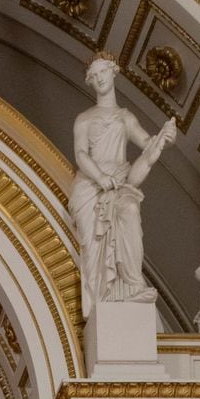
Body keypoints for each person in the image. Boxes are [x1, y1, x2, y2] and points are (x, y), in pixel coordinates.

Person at [70, 51, 176, 315]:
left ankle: (132, 283)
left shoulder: (125, 117)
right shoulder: (84, 118)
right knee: (92, 247)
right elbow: (81, 154)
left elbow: (147, 143)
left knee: (129, 210)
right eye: (93, 76)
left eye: (102, 72)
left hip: (119, 184)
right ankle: (99, 304)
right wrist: (100, 177)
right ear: (89, 81)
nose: (99, 78)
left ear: (113, 71)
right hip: (90, 187)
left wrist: (165, 138)